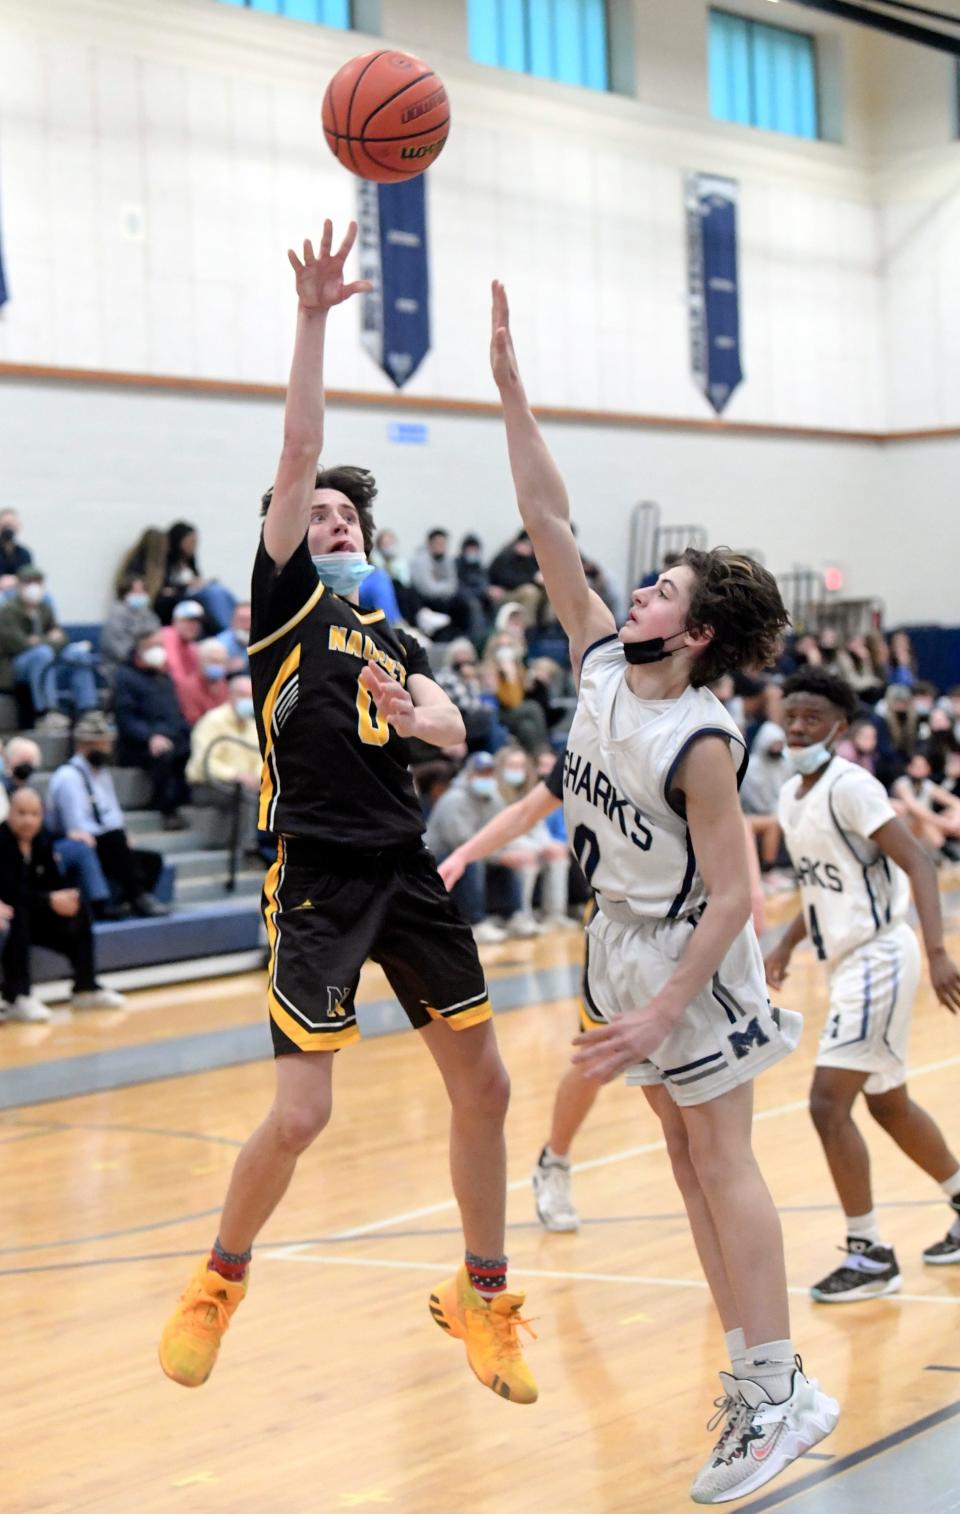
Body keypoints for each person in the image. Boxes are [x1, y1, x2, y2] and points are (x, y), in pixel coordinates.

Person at [158, 221, 536, 1406]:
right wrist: (317, 316)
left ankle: (481, 1291)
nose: (334, 523)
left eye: (346, 518)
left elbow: (454, 730)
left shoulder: (401, 632)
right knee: (304, 1109)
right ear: (287, 526)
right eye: (315, 512)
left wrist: (420, 719)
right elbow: (302, 436)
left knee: (485, 1088)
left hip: (405, 865)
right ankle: (220, 1276)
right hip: (317, 867)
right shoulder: (280, 608)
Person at [489, 279, 837, 1502]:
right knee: (688, 1167)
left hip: (690, 954)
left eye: (663, 592)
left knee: (724, 1159)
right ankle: (758, 1379)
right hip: (620, 943)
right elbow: (546, 514)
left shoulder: (698, 738)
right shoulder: (595, 659)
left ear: (693, 635)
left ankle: (782, 1386)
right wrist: (512, 389)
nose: (638, 592)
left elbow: (740, 895)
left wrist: (659, 1005)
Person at [765, 667, 960, 1297]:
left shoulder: (853, 787)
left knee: (827, 1104)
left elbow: (920, 862)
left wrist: (936, 951)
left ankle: (869, 1251)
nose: (798, 726)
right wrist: (786, 944)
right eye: (791, 715)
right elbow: (823, 888)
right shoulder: (792, 796)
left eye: (812, 719)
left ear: (841, 729)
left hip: (880, 956)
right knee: (887, 1103)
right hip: (846, 962)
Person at [0, 788, 125, 1023]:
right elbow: (10, 893)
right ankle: (17, 997)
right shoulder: (2, 842)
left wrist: (64, 898)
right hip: (12, 915)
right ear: (9, 814)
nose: (28, 820)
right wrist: (49, 900)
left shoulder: (42, 840)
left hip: (34, 911)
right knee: (18, 913)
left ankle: (85, 987)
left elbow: (52, 882)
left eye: (34, 814)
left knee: (79, 910)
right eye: (22, 813)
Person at [45, 712, 169, 917]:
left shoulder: (102, 774)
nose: (108, 750)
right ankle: (138, 898)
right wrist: (115, 835)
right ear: (85, 745)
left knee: (152, 859)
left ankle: (128, 900)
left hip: (105, 841)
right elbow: (76, 827)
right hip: (78, 841)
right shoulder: (67, 777)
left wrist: (122, 833)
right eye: (103, 744)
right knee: (115, 840)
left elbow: (113, 814)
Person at [2, 736, 116, 917]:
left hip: (40, 846)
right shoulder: (4, 789)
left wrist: (66, 835)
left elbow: (43, 829)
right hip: (10, 848)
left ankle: (97, 902)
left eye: (31, 762)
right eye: (23, 760)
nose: (27, 765)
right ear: (8, 760)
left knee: (83, 846)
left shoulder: (34, 791)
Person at [424, 750, 531, 942]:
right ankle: (477, 922)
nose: (486, 777)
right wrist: (501, 856)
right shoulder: (454, 799)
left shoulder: (494, 797)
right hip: (438, 858)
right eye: (481, 773)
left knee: (509, 857)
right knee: (472, 861)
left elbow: (502, 833)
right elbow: (462, 845)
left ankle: (513, 916)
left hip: (473, 853)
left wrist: (509, 853)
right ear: (469, 774)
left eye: (490, 773)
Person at [0, 567, 98, 729]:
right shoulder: (8, 611)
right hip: (15, 666)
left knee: (77, 654)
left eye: (38, 583)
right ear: (19, 586)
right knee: (43, 654)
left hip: (46, 658)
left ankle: (88, 711)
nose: (34, 587)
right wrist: (48, 640)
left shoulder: (44, 608)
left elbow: (63, 638)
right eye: (29, 583)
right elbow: (20, 645)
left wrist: (39, 640)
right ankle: (47, 711)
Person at [113, 629, 192, 829]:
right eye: (152, 646)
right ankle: (166, 809)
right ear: (139, 650)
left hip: (169, 735)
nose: (159, 651)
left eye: (161, 646)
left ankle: (185, 803)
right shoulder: (125, 675)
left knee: (190, 748)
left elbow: (175, 713)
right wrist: (150, 736)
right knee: (164, 753)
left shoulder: (164, 676)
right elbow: (126, 719)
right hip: (137, 744)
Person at [186, 675, 261, 849]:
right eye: (243, 695)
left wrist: (257, 778)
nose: (248, 700)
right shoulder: (212, 721)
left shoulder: (253, 724)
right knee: (244, 795)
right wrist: (236, 775)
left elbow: (260, 758)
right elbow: (204, 762)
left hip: (245, 784)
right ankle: (246, 850)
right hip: (206, 785)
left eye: (251, 696)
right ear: (230, 696)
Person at [160, 601, 226, 726]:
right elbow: (177, 674)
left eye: (197, 622)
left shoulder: (192, 646)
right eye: (189, 621)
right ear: (176, 621)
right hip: (170, 702)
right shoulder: (168, 635)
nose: (194, 626)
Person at [99, 574, 162, 682]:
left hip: (150, 664)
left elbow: (158, 637)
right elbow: (119, 650)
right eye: (136, 592)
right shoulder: (116, 616)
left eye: (143, 591)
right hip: (121, 667)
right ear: (125, 594)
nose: (141, 595)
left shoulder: (148, 614)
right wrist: (141, 658)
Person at [0, 510, 34, 589]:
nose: (8, 528)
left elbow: (30, 576)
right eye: (5, 524)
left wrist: (15, 580)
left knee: (46, 596)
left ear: (18, 526)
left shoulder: (24, 553)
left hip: (20, 592)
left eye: (11, 524)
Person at [215, 602, 252, 674]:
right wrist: (226, 667)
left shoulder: (264, 640)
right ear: (233, 621)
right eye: (242, 620)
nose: (246, 625)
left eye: (249, 619)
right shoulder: (220, 643)